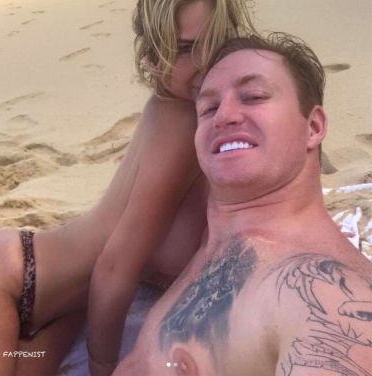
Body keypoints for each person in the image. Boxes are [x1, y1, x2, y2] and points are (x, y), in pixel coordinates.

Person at [0, 0, 255, 375]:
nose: (205, 61)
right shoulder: (182, 121)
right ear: (152, 55)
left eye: (218, 40)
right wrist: (103, 367)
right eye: (186, 49)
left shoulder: (187, 110)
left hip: (63, 309)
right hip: (14, 283)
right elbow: (115, 266)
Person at [110, 33, 372, 376]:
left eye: (254, 96)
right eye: (208, 108)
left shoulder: (324, 297)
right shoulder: (199, 243)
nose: (224, 116)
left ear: (313, 127)